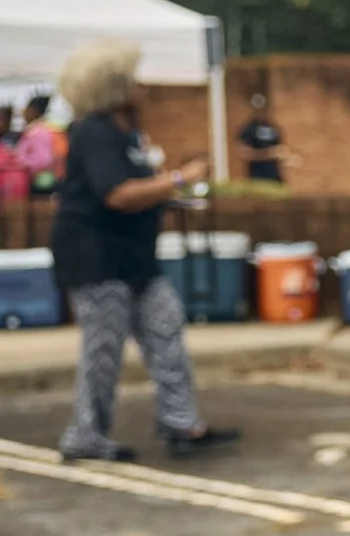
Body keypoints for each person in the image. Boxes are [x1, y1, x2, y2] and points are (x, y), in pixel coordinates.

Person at [46, 39, 240, 463]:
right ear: (113, 87)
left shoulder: (125, 133)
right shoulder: (94, 132)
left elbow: (133, 191)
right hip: (96, 258)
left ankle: (182, 422)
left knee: (166, 328)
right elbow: (117, 194)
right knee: (104, 348)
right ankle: (85, 434)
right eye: (133, 80)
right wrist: (177, 179)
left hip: (133, 256)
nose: (143, 86)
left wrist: (165, 196)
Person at [18, 93, 64, 196]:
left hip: (40, 181)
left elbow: (44, 159)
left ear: (33, 111)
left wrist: (21, 163)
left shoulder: (37, 132)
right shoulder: (44, 128)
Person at [237, 103, 287, 183]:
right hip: (257, 176)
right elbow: (244, 153)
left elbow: (280, 149)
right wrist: (269, 154)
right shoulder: (249, 129)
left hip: (274, 177)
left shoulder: (273, 128)